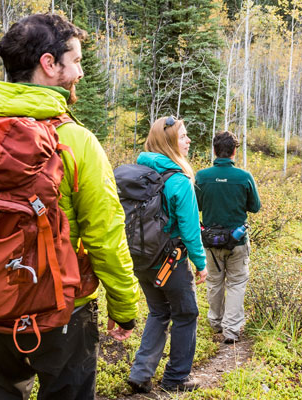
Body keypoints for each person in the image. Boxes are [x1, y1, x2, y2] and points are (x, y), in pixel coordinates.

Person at [0, 14, 141, 399]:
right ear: (49, 64)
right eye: (75, 61)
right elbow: (105, 234)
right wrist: (123, 306)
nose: (81, 73)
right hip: (60, 308)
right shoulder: (75, 140)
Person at [127, 117, 208, 393]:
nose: (187, 141)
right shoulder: (179, 180)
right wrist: (200, 263)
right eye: (182, 136)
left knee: (159, 311)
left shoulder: (139, 171)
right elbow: (189, 229)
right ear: (169, 142)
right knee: (186, 313)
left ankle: (140, 374)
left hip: (141, 259)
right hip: (171, 261)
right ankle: (176, 378)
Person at [195, 131, 261, 344]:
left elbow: (196, 206)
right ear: (234, 151)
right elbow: (255, 207)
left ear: (214, 151)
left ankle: (216, 323)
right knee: (236, 282)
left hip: (211, 241)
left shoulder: (202, 176)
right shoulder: (244, 177)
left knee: (214, 281)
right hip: (237, 241)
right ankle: (231, 330)